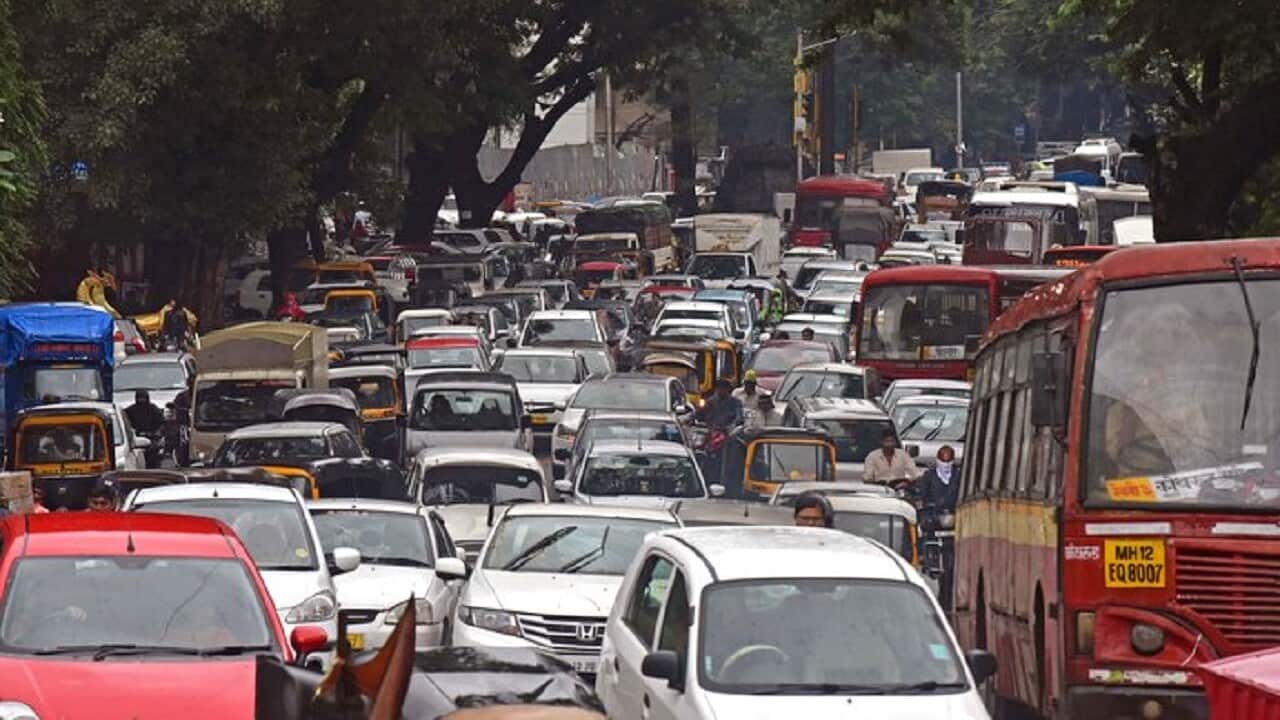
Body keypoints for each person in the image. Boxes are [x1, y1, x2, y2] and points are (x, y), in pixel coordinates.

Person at [914, 445, 960, 512]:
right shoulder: (928, 477)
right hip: (933, 515)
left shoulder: (959, 476)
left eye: (948, 461)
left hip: (955, 513)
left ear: (953, 461)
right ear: (937, 460)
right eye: (943, 461)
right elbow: (921, 495)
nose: (946, 464)